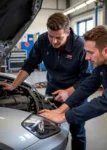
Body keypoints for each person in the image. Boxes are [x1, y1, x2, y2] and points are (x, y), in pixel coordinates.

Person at [39, 25, 107, 150]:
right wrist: (61, 110)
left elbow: (106, 101)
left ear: (106, 51)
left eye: (90, 53)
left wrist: (64, 117)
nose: (86, 57)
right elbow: (86, 87)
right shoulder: (103, 64)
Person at [0, 12, 90, 150]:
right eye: (51, 36)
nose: (53, 41)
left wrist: (68, 92)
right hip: (53, 90)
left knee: (77, 133)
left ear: (68, 32)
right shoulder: (42, 40)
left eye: (58, 38)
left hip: (76, 93)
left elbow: (87, 77)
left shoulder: (80, 46)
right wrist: (13, 85)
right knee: (50, 128)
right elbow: (30, 64)